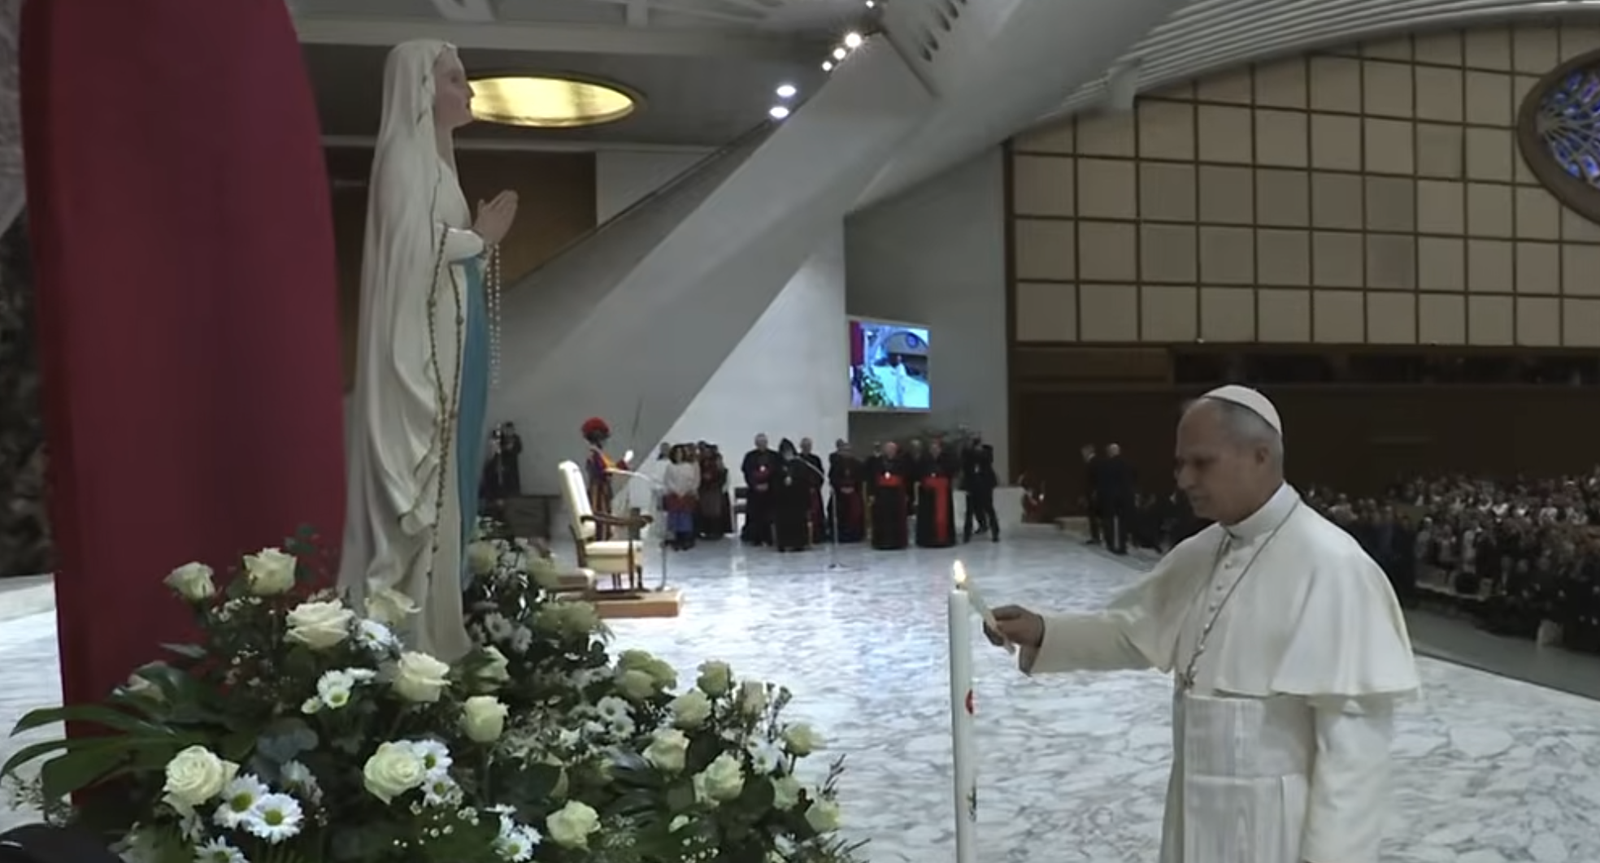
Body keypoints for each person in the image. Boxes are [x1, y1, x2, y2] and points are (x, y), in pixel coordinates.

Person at [986, 385, 1419, 863]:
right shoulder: (1201, 550)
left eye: (1201, 463)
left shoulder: (1334, 567)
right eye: (1179, 464)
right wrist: (1045, 631)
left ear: (1260, 456)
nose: (1184, 479)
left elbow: (1354, 757)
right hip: (1193, 812)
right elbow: (1134, 632)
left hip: (1274, 830)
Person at [339, 40, 519, 662]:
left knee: (446, 487)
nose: (467, 91)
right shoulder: (403, 160)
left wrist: (478, 243)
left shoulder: (439, 166)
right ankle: (411, 637)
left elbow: (446, 254)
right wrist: (479, 237)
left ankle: (441, 632)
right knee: (424, 491)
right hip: (419, 353)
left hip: (448, 340)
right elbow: (411, 256)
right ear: (420, 89)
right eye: (454, 79)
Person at [580, 417, 629, 539]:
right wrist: (621, 464)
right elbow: (603, 471)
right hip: (598, 491)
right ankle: (600, 541)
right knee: (600, 517)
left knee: (604, 515)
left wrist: (623, 463)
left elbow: (609, 467)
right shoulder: (594, 453)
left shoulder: (598, 453)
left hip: (603, 490)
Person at [771, 439, 812, 552]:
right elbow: (773, 480)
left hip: (797, 499)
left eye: (789, 451)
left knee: (798, 521)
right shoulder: (777, 464)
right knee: (783, 521)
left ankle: (799, 543)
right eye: (785, 451)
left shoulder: (799, 463)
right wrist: (783, 482)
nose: (787, 453)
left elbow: (805, 479)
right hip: (783, 500)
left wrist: (794, 481)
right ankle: (783, 543)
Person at [915, 440, 957, 548]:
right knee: (928, 516)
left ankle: (944, 538)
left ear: (940, 449)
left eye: (936, 448)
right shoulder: (924, 460)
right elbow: (918, 473)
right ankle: (927, 539)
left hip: (942, 491)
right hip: (927, 494)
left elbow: (952, 471)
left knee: (943, 515)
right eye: (932, 449)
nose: (934, 451)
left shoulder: (947, 460)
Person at [869, 441, 910, 550]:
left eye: (892, 449)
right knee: (881, 518)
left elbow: (906, 478)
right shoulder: (877, 462)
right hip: (881, 494)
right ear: (884, 450)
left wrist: (907, 493)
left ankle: (897, 542)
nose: (890, 452)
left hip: (897, 494)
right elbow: (871, 478)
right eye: (888, 449)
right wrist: (871, 493)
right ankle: (881, 542)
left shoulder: (902, 462)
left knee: (897, 518)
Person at [1097, 442, 1136, 555]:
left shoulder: (1106, 465)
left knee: (1109, 521)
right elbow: (1133, 479)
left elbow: (1103, 482)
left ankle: (1111, 544)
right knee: (1123, 522)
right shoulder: (1128, 464)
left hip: (1110, 497)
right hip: (1125, 497)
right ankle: (1122, 545)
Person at [740, 434, 779, 545]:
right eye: (759, 442)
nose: (762, 444)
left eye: (763, 442)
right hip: (755, 492)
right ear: (756, 443)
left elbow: (777, 473)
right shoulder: (749, 456)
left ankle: (769, 537)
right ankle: (755, 538)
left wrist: (769, 485)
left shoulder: (774, 456)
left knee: (769, 515)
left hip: (770, 492)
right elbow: (747, 473)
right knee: (755, 516)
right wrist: (755, 485)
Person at [661, 444, 700, 551]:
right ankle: (676, 540)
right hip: (674, 495)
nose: (679, 455)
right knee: (674, 518)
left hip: (686, 495)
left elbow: (691, 481)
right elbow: (667, 480)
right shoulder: (670, 467)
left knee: (685, 518)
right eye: (677, 453)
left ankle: (685, 540)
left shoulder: (688, 467)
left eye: (681, 453)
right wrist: (676, 491)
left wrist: (685, 491)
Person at [828, 440, 867, 543]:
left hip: (853, 492)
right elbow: (832, 478)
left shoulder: (857, 464)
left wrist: (852, 488)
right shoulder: (836, 464)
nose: (846, 453)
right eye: (844, 451)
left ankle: (855, 536)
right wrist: (841, 487)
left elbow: (860, 478)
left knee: (855, 513)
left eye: (848, 451)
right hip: (840, 494)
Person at [963, 440, 1000, 543]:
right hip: (972, 486)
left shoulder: (987, 453)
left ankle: (995, 532)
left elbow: (987, 459)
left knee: (989, 509)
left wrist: (978, 452)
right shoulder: (968, 456)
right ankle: (967, 534)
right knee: (970, 511)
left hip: (985, 486)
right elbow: (965, 467)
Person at [696, 443, 733, 539]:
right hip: (704, 489)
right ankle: (706, 531)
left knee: (715, 511)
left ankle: (716, 531)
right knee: (706, 511)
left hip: (715, 489)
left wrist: (715, 483)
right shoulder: (701, 462)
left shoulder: (717, 461)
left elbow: (722, 474)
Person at [799, 437, 827, 543]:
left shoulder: (815, 459)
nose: (806, 448)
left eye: (808, 446)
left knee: (816, 514)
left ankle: (817, 536)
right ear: (801, 447)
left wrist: (814, 486)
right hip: (801, 493)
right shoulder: (798, 459)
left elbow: (820, 475)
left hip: (814, 491)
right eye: (804, 446)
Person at [1081, 444, 1104, 545]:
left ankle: (1097, 537)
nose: (1082, 455)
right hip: (1092, 494)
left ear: (1088, 452)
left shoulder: (1095, 463)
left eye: (1083, 452)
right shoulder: (1092, 463)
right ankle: (1096, 537)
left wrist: (1095, 492)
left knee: (1095, 516)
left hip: (1094, 495)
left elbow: (1096, 480)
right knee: (1093, 517)